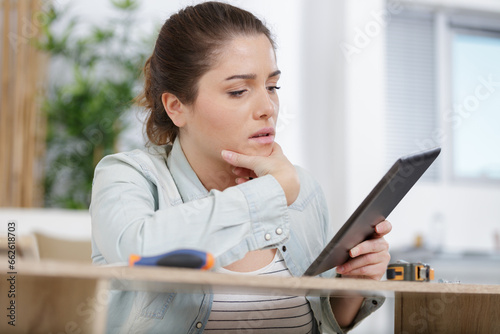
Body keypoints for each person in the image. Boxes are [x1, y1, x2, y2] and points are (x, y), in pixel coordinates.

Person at [90, 2, 392, 333]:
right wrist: (271, 193)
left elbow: (323, 321)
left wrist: (355, 281)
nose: (267, 108)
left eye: (272, 86)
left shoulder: (301, 188)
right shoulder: (127, 176)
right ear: (176, 107)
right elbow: (137, 251)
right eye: (238, 91)